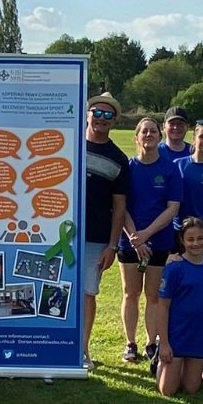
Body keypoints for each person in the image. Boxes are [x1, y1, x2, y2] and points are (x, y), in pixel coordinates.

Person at [119, 117, 181, 363]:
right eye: (144, 131)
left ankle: (150, 343)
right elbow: (120, 207)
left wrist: (146, 235)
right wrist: (135, 237)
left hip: (160, 242)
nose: (148, 135)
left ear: (160, 135)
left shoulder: (170, 169)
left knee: (153, 295)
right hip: (129, 242)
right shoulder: (128, 168)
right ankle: (131, 343)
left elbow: (172, 208)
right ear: (137, 137)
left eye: (153, 131)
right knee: (130, 293)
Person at [156, 217, 203, 397]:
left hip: (199, 336)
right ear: (182, 241)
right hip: (177, 335)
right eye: (190, 239)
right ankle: (161, 360)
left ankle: (182, 368)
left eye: (200, 238)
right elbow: (163, 307)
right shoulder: (174, 269)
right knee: (168, 391)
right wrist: (164, 343)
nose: (196, 243)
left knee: (191, 388)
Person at [83, 93, 129, 365]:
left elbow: (120, 207)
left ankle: (83, 349)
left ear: (114, 121)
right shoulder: (68, 145)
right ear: (87, 115)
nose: (101, 119)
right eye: (96, 113)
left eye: (107, 115)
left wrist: (112, 245)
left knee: (88, 294)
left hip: (96, 238)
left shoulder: (118, 159)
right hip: (56, 236)